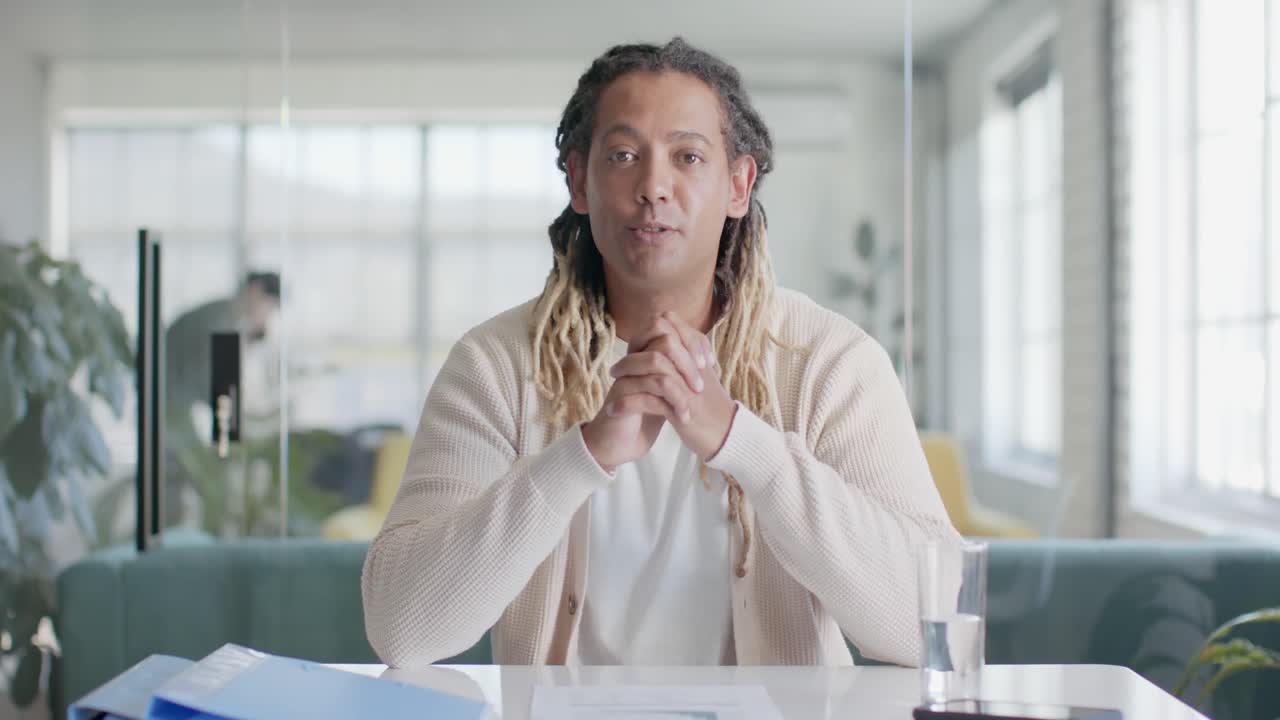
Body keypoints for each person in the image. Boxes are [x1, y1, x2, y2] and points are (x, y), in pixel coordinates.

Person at [362, 38, 961, 669]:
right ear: (579, 181)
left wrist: (740, 440)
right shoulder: (495, 365)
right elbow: (403, 630)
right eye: (623, 155)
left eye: (688, 157)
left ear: (738, 185)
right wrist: (583, 454)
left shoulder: (828, 362)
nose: (653, 186)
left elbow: (934, 627)